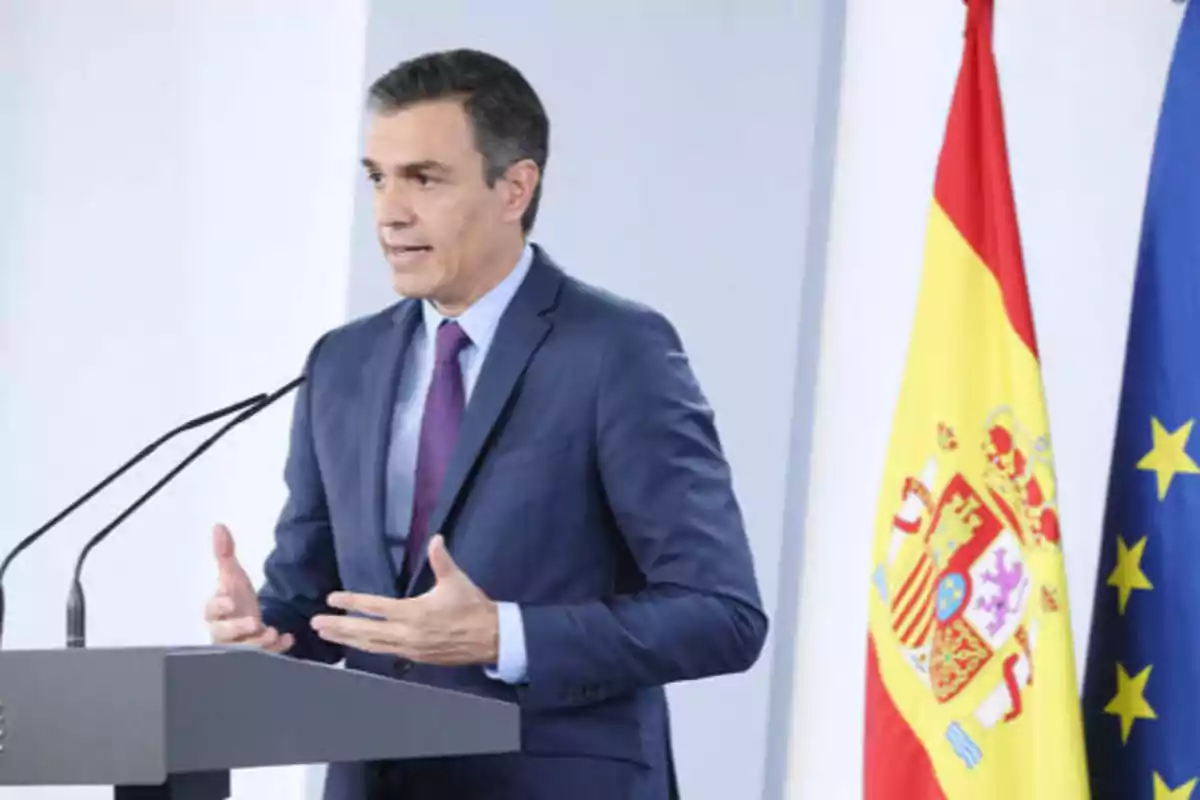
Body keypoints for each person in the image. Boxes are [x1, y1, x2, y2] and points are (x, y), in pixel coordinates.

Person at [203, 47, 768, 800]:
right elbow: (315, 600)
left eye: (424, 179)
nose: (389, 211)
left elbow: (722, 615)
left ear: (515, 188)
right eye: (377, 178)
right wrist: (266, 632)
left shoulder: (614, 350)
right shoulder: (344, 361)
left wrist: (507, 635)